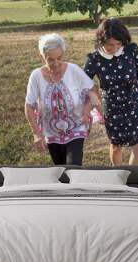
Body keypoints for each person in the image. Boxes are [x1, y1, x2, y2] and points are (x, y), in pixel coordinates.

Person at [84, 18, 138, 166]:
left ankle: (132, 180)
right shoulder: (94, 59)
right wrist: (92, 102)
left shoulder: (131, 50)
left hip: (135, 103)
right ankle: (118, 177)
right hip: (112, 107)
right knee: (117, 146)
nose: (116, 47)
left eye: (119, 43)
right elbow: (84, 84)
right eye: (111, 44)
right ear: (101, 41)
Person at [25, 33, 100, 166]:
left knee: (73, 167)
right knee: (60, 170)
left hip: (76, 126)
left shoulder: (73, 70)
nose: (56, 63)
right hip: (51, 131)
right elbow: (29, 106)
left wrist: (87, 111)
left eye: (59, 58)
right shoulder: (36, 76)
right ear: (41, 56)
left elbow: (92, 89)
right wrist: (36, 133)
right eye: (50, 59)